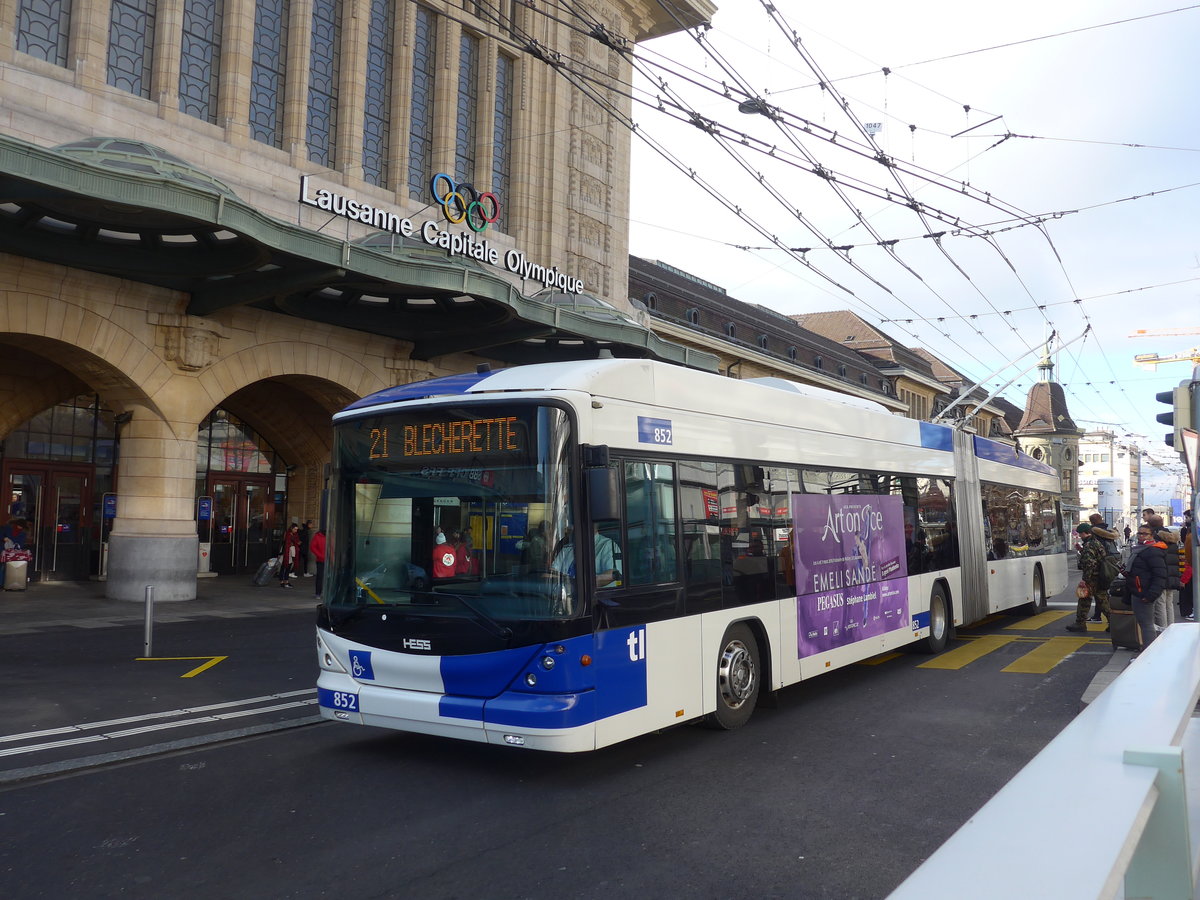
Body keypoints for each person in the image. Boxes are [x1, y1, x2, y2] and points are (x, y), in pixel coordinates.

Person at [1127, 524, 1168, 650]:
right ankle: (1149, 654)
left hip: (1144, 593)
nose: (1141, 536)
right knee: (1144, 623)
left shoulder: (1152, 550)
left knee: (1146, 625)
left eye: (1145, 534)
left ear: (1152, 535)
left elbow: (1160, 575)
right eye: (1139, 533)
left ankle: (1149, 656)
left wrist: (1151, 595)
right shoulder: (1140, 549)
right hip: (1138, 591)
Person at [1067, 524, 1109, 633]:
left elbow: (1089, 563)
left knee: (1084, 599)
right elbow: (1098, 557)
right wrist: (1081, 550)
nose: (1080, 536)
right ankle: (1114, 622)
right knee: (1103, 600)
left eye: (1081, 534)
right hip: (1100, 576)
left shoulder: (1089, 545)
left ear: (1085, 533)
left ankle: (1080, 623)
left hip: (1092, 578)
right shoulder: (1096, 543)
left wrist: (1085, 580)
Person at [552, 524, 620, 587]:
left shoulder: (607, 545)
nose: (568, 528)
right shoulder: (567, 548)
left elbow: (612, 575)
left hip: (599, 597)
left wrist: (573, 582)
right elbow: (551, 572)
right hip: (566, 596)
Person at [279, 522, 301, 588]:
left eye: (297, 529)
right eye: (295, 529)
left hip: (292, 552)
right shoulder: (288, 534)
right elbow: (285, 543)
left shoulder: (295, 534)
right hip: (286, 552)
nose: (296, 531)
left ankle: (286, 580)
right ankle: (282, 581)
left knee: (288, 566)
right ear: (292, 528)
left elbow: (297, 542)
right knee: (284, 566)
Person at [310, 527, 326, 599]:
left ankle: (320, 593)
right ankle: (318, 593)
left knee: (322, 577)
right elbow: (312, 547)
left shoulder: (330, 536)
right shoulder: (317, 536)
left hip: (326, 559)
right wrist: (320, 555)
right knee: (320, 577)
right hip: (321, 560)